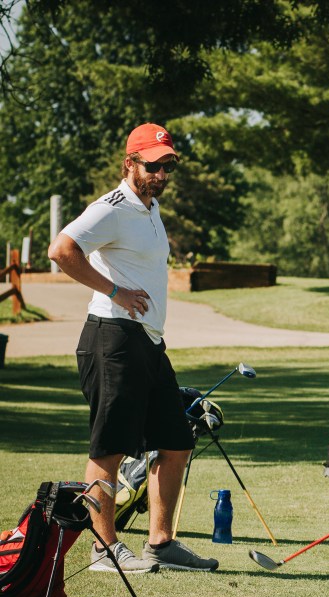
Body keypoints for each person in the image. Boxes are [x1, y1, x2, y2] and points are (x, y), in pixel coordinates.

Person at [47, 123, 218, 573]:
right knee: (110, 449)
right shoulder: (112, 207)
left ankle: (161, 544)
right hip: (112, 338)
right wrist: (115, 290)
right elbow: (61, 249)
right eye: (153, 165)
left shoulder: (150, 208)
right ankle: (104, 550)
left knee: (177, 442)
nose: (162, 173)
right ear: (130, 163)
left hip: (147, 343)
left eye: (168, 166)